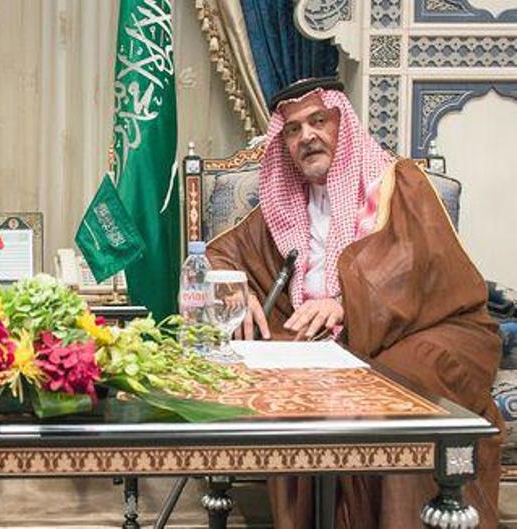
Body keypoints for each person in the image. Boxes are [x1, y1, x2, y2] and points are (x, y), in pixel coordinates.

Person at [206, 77, 503, 528]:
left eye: (318, 121)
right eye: (293, 129)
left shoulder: (397, 183)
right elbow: (218, 255)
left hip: (431, 331)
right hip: (337, 349)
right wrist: (237, 290)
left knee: (392, 399)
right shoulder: (281, 202)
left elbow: (420, 267)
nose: (307, 136)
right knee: (293, 393)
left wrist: (347, 304)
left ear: (342, 123)